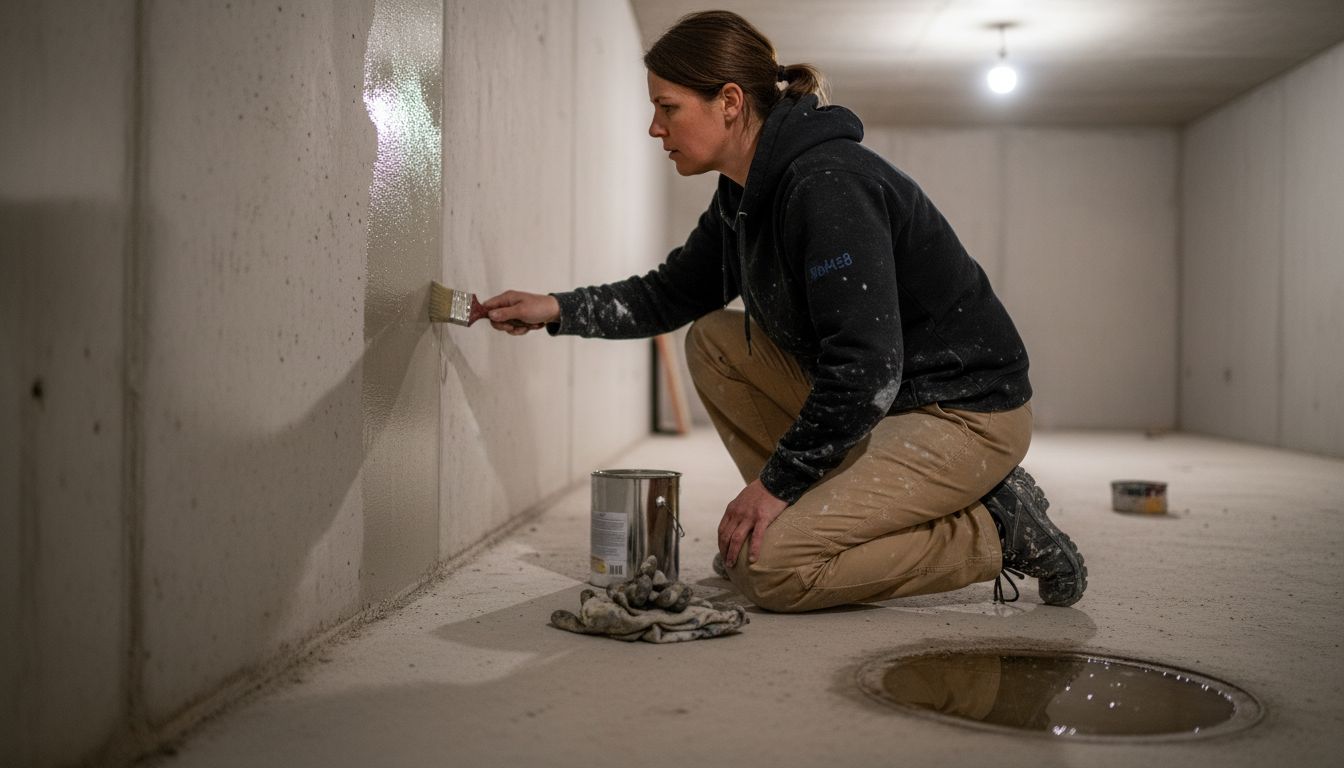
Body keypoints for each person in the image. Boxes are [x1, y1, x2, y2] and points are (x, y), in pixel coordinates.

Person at [481, 10, 1086, 612]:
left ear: (729, 102)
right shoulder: (744, 191)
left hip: (962, 411)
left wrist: (774, 485)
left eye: (668, 108)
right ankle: (803, 516)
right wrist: (556, 309)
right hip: (890, 401)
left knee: (772, 569)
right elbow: (673, 292)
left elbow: (867, 368)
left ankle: (997, 528)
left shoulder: (827, 185)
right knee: (713, 339)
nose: (654, 128)